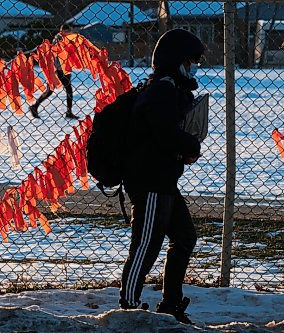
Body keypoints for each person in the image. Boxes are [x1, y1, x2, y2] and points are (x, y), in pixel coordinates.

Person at [119, 29, 205, 324]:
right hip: (150, 182)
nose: (192, 68)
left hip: (164, 180)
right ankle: (128, 306)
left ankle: (170, 304)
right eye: (189, 62)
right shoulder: (161, 92)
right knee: (146, 245)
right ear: (175, 61)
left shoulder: (170, 90)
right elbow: (165, 134)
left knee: (184, 237)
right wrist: (190, 145)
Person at [29, 24, 78, 120]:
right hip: (59, 69)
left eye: (70, 31)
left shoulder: (66, 39)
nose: (70, 33)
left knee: (54, 90)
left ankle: (35, 106)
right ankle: (68, 112)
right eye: (68, 31)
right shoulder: (59, 39)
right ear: (63, 31)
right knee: (63, 90)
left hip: (64, 68)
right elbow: (58, 55)